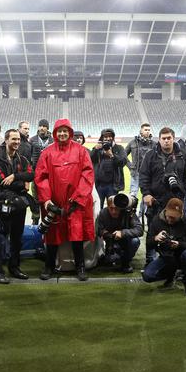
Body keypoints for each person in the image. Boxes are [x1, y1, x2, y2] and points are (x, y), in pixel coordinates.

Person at [35, 118, 95, 281]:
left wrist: (78, 198)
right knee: (52, 236)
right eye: (59, 131)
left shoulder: (81, 151)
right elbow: (41, 176)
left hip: (75, 203)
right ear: (54, 133)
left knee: (77, 236)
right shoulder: (47, 152)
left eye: (65, 131)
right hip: (54, 203)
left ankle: (80, 266)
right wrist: (47, 199)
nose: (62, 133)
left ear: (70, 132)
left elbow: (88, 175)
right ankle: (48, 266)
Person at [139, 127, 186, 266]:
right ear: (159, 139)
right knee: (153, 230)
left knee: (177, 231)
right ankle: (150, 261)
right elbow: (144, 176)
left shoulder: (181, 155)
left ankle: (174, 261)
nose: (166, 141)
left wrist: (183, 191)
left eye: (169, 138)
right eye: (163, 138)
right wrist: (146, 194)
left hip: (176, 200)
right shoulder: (151, 155)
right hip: (155, 200)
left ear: (173, 138)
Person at [0, 129, 34, 283]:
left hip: (19, 206)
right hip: (4, 204)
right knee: (0, 239)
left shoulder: (22, 159)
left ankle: (14, 267)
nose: (17, 142)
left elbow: (32, 175)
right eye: (14, 139)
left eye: (18, 139)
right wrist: (20, 184)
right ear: (6, 140)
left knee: (16, 238)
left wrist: (15, 176)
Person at [142, 197, 186, 296]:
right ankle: (171, 275)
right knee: (147, 276)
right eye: (169, 216)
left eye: (174, 217)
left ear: (181, 214)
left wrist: (180, 244)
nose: (170, 219)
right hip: (166, 257)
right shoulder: (156, 220)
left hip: (183, 255)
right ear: (165, 211)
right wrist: (155, 238)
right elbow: (148, 244)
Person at [96, 195, 143, 273]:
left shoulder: (128, 212)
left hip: (126, 239)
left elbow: (139, 230)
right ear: (107, 207)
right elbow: (98, 230)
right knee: (110, 260)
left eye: (116, 209)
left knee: (135, 241)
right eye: (111, 208)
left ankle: (126, 261)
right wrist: (107, 234)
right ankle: (114, 256)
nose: (114, 211)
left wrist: (122, 233)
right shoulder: (103, 213)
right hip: (110, 240)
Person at [91, 128, 128, 207]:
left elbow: (123, 162)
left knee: (113, 208)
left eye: (110, 136)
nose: (108, 138)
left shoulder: (119, 148)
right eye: (106, 136)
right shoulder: (98, 148)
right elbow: (90, 160)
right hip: (99, 184)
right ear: (102, 138)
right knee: (97, 209)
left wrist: (112, 155)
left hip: (113, 185)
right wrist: (95, 149)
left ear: (113, 137)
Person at [29, 119, 53, 224]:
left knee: (48, 197)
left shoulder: (53, 140)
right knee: (35, 198)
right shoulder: (32, 140)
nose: (42, 128)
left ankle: (47, 220)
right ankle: (35, 219)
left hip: (49, 175)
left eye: (44, 126)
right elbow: (28, 155)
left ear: (47, 128)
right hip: (35, 174)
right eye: (40, 126)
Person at [125, 123, 153, 198]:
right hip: (135, 172)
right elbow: (123, 155)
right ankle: (131, 209)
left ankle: (143, 210)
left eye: (149, 130)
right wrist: (130, 166)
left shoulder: (153, 144)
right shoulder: (133, 142)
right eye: (145, 130)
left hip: (148, 174)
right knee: (133, 195)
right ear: (141, 131)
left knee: (147, 194)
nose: (147, 131)